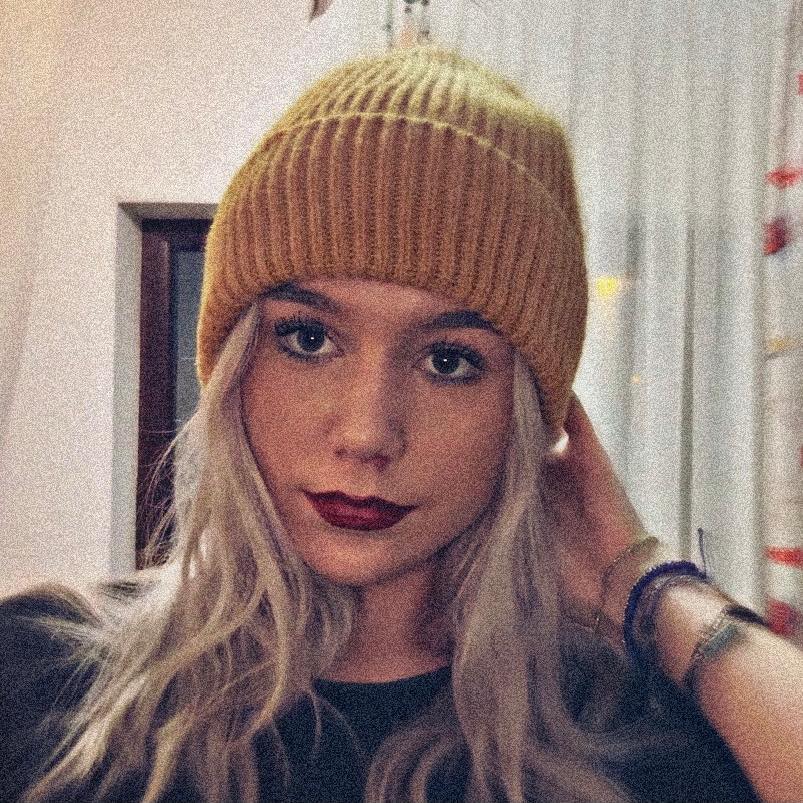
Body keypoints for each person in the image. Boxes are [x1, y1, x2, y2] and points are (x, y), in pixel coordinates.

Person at [1, 43, 801, 803]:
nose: (366, 433)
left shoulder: (629, 732)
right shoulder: (37, 673)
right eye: (307, 339)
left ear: (527, 418)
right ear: (234, 369)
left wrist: (646, 585)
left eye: (448, 360)